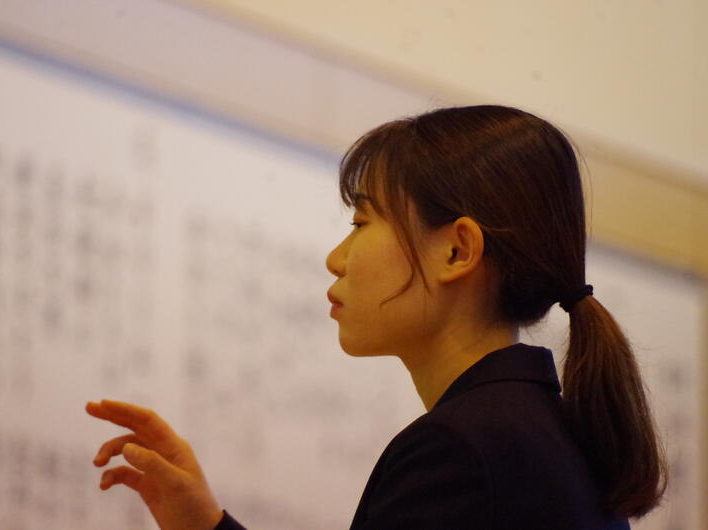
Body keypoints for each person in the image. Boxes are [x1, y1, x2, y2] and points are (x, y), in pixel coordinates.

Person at [85, 105, 668, 529]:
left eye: (361, 222)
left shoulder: (460, 449)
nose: (336, 258)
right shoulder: (552, 439)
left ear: (457, 251)